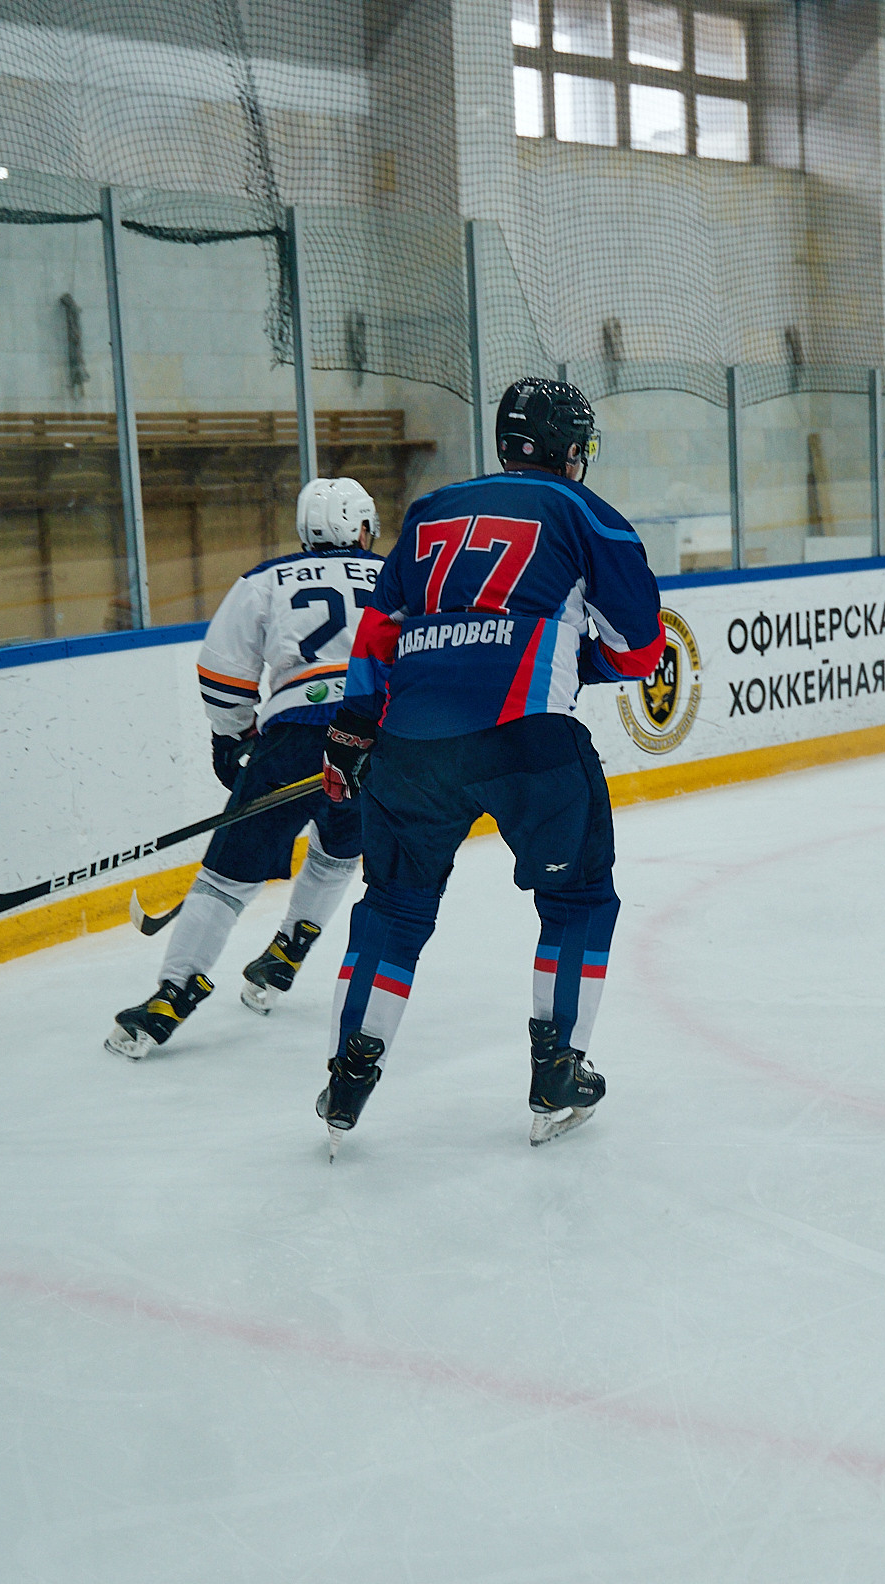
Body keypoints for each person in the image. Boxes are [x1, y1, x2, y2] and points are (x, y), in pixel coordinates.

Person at [313, 378, 665, 1154]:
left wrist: (350, 732)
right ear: (570, 450)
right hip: (527, 738)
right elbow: (642, 650)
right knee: (576, 898)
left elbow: (379, 636)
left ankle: (348, 1074)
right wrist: (575, 655)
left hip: (412, 744)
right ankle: (556, 1069)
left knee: (394, 909)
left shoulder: (432, 511)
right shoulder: (588, 513)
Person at [104, 479, 381, 1057]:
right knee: (339, 850)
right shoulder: (396, 576)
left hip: (295, 742)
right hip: (375, 740)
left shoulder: (266, 580)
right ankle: (288, 953)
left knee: (227, 879)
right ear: (361, 527)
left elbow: (223, 675)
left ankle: (170, 999)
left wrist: (235, 737)